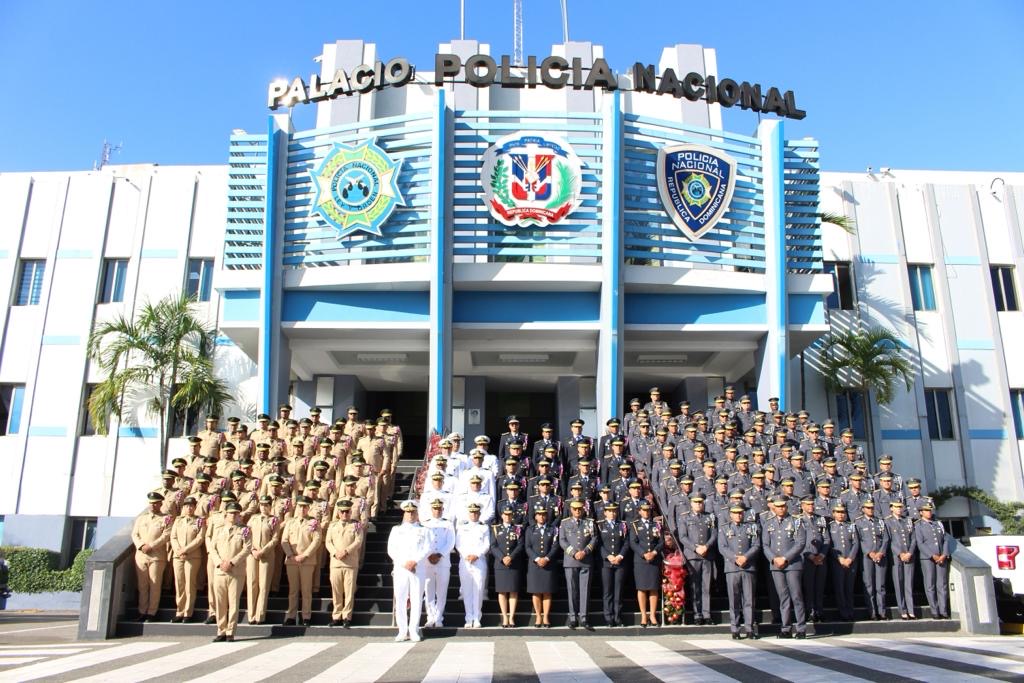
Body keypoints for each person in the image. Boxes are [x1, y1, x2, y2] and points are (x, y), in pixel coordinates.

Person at [762, 495, 807, 638]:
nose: (781, 509)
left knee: (797, 596)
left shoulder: (796, 521)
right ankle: (786, 627)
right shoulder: (768, 523)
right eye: (778, 506)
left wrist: (785, 558)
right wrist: (774, 558)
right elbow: (765, 545)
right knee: (783, 597)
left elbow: (800, 542)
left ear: (786, 507)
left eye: (783, 506)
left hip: (792, 564)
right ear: (774, 508)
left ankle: (801, 628)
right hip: (776, 565)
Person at [210, 501, 252, 642]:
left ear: (240, 515)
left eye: (236, 513)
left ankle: (230, 631)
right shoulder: (218, 530)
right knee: (220, 602)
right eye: (231, 513)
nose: (233, 515)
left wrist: (232, 562)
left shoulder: (244, 530)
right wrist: (219, 563)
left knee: (233, 602)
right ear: (226, 514)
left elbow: (247, 548)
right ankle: (221, 630)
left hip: (236, 571)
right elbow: (212, 549)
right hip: (220, 570)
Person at [719, 502, 760, 639]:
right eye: (735, 512)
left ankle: (749, 628)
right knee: (734, 600)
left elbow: (756, 544)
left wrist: (746, 557)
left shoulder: (751, 527)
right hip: (732, 567)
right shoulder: (725, 528)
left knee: (749, 599)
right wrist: (735, 558)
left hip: (748, 566)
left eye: (740, 512)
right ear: (730, 514)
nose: (738, 515)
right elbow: (722, 547)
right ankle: (735, 629)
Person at [281, 496, 322, 626]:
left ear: (309, 508)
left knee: (306, 590)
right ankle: (291, 616)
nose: (302, 509)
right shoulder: (290, 522)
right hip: (292, 560)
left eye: (305, 506)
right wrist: (291, 555)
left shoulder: (314, 523)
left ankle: (306, 616)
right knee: (293, 590)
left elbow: (316, 541)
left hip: (306, 561)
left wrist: (304, 555)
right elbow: (284, 540)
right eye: (300, 506)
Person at [132, 491, 171, 622]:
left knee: (154, 584)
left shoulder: (166, 519)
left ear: (160, 504)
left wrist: (152, 546)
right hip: (141, 555)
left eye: (155, 503)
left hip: (157, 556)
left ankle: (152, 612)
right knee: (142, 585)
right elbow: (134, 534)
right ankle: (142, 611)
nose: (153, 506)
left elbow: (166, 535)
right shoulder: (141, 519)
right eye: (151, 503)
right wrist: (141, 545)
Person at [678, 494, 716, 625]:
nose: (699, 504)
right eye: (696, 502)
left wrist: (707, 546)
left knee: (707, 586)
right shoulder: (684, 517)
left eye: (700, 502)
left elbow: (714, 534)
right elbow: (683, 537)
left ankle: (707, 613)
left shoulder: (709, 516)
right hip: (693, 556)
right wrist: (695, 548)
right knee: (695, 586)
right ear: (691, 503)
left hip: (707, 554)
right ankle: (697, 614)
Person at [326, 499, 364, 627]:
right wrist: (335, 552)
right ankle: (336, 616)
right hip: (336, 562)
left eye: (347, 511)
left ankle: (347, 616)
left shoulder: (356, 525)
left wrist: (346, 551)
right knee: (336, 591)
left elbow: (358, 541)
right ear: (338, 512)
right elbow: (328, 542)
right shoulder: (332, 525)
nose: (345, 514)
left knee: (349, 591)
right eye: (342, 511)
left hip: (350, 562)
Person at [559, 499, 597, 630]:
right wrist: (574, 553)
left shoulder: (589, 523)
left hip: (586, 560)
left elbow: (594, 538)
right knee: (572, 590)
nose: (577, 511)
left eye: (579, 509)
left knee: (584, 590)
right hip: (571, 560)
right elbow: (562, 541)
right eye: (575, 509)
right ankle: (573, 617)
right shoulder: (565, 523)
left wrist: (585, 551)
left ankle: (584, 617)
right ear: (571, 510)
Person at [246, 495, 280, 625]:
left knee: (263, 585)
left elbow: (275, 539)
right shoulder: (253, 519)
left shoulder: (274, 520)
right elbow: (247, 535)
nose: (264, 507)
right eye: (262, 505)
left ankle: (260, 615)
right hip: (252, 554)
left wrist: (262, 551)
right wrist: (253, 550)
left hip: (266, 555)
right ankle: (251, 615)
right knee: (252, 583)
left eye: (266, 505)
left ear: (270, 506)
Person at [169, 496, 204, 623]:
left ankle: (188, 612)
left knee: (190, 584)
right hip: (178, 556)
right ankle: (179, 611)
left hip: (192, 556)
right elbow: (173, 537)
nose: (189, 508)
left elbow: (200, 538)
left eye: (191, 506)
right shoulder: (178, 521)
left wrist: (186, 550)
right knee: (179, 584)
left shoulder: (199, 521)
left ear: (195, 507)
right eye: (187, 506)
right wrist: (178, 550)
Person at [421, 498, 456, 628]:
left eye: (439, 508)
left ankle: (439, 617)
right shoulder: (425, 524)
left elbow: (451, 542)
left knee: (441, 592)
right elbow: (423, 542)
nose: (437, 511)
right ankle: (430, 617)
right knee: (428, 591)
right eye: (435, 508)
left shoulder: (448, 524)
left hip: (443, 561)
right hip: (427, 562)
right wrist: (429, 555)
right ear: (431, 509)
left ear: (443, 509)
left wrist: (439, 554)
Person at [456, 502, 491, 628]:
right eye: (471, 512)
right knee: (466, 590)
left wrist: (477, 555)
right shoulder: (462, 526)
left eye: (476, 512)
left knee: (479, 590)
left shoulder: (484, 527)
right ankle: (468, 617)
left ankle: (477, 617)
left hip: (479, 561)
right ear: (468, 513)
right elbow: (458, 544)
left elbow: (487, 545)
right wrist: (466, 555)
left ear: (479, 513)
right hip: (465, 561)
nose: (473, 514)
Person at [491, 504, 526, 628]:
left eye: (510, 514)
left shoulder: (518, 529)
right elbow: (493, 546)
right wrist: (502, 557)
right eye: (505, 514)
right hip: (500, 564)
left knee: (513, 591)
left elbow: (520, 545)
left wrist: (510, 557)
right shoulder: (496, 528)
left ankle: (511, 617)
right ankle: (504, 616)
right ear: (502, 515)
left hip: (514, 563)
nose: (507, 517)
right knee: (502, 591)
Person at [629, 501, 663, 628]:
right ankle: (644, 615)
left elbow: (661, 542)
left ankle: (653, 615)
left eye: (648, 510)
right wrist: (644, 554)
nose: (646, 512)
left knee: (653, 588)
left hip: (654, 559)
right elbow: (633, 542)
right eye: (643, 510)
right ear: (639, 511)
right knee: (642, 588)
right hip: (641, 560)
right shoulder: (635, 525)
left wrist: (654, 552)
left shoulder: (656, 524)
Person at [525, 505, 560, 627]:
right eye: (539, 514)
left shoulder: (553, 529)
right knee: (536, 592)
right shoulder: (530, 529)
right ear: (535, 516)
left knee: (547, 591)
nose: (541, 516)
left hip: (548, 564)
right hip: (534, 565)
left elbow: (555, 546)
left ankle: (546, 617)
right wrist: (537, 558)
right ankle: (538, 616)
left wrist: (546, 558)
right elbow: (527, 547)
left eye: (544, 514)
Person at [855, 500, 890, 620]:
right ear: (863, 509)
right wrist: (870, 552)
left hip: (880, 556)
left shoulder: (879, 522)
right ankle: (872, 611)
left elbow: (885, 538)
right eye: (868, 508)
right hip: (867, 557)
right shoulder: (859, 522)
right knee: (869, 585)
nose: (870, 510)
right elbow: (859, 540)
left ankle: (882, 611)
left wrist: (881, 552)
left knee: (880, 585)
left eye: (872, 508)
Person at [915, 502, 951, 619]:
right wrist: (932, 555)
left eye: (930, 510)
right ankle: (934, 610)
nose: (929, 512)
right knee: (930, 585)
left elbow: (945, 540)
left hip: (941, 557)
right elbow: (920, 543)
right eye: (926, 510)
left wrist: (944, 554)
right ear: (921, 512)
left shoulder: (938, 524)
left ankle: (943, 610)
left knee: (942, 584)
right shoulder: (919, 525)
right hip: (928, 558)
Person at [597, 502, 629, 628]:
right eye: (609, 511)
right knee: (607, 591)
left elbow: (626, 542)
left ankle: (617, 616)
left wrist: (620, 556)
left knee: (618, 590)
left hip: (620, 561)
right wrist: (608, 556)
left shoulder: (622, 525)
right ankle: (608, 617)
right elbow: (598, 543)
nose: (612, 513)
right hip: (606, 562)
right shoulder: (600, 525)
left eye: (614, 511)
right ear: (605, 512)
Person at [886, 500, 917, 620]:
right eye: (896, 507)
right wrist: (900, 553)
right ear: (891, 508)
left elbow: (913, 538)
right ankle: (903, 609)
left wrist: (909, 552)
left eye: (900, 507)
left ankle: (911, 609)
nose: (899, 509)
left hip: (909, 554)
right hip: (896, 556)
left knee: (908, 583)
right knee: (899, 583)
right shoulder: (888, 521)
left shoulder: (907, 521)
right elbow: (890, 540)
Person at [827, 502, 859, 621]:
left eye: (843, 512)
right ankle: (843, 612)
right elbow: (830, 545)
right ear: (834, 513)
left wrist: (850, 558)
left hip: (850, 560)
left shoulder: (850, 526)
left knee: (849, 588)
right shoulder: (830, 526)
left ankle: (850, 611)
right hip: (837, 561)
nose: (841, 515)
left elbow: (855, 543)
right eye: (838, 512)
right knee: (840, 588)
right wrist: (839, 558)